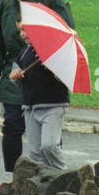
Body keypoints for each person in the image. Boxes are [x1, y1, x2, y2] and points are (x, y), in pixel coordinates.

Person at [0, 0, 74, 195]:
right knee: (12, 126)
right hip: (14, 72)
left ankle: (53, 178)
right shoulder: (4, 3)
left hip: (46, 72)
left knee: (47, 137)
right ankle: (14, 181)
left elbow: (67, 33)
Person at [9, 20, 70, 168]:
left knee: (49, 146)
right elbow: (14, 72)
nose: (22, 34)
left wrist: (53, 67)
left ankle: (62, 173)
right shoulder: (24, 53)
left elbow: (65, 75)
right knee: (35, 153)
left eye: (25, 29)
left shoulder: (54, 50)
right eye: (20, 30)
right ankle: (43, 182)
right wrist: (14, 75)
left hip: (53, 105)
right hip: (30, 106)